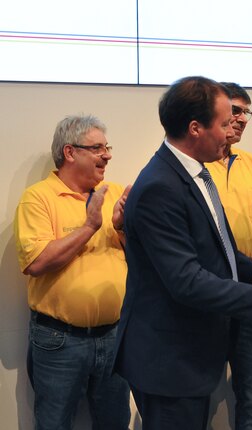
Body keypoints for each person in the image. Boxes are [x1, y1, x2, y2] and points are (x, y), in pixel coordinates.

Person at [113, 76, 252, 430]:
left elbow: (222, 249)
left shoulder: (197, 173)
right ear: (196, 128)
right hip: (168, 363)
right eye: (225, 122)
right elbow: (186, 280)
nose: (232, 130)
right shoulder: (159, 187)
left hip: (188, 357)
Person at [14, 114, 131, 430]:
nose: (107, 155)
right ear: (69, 152)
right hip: (59, 340)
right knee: (54, 424)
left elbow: (141, 259)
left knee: (116, 422)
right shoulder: (38, 198)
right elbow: (36, 263)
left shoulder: (114, 193)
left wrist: (121, 227)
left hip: (114, 335)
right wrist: (90, 226)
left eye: (107, 147)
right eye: (97, 148)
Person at [206, 82, 252, 429]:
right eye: (235, 110)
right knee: (196, 393)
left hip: (249, 293)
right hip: (207, 294)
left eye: (247, 112)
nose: (242, 119)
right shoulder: (196, 164)